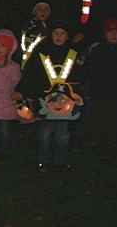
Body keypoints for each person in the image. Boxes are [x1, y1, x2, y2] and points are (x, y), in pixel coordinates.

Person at [15, 20, 84, 172]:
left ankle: (61, 162)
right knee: (44, 133)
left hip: (67, 103)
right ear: (50, 35)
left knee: (63, 135)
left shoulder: (74, 54)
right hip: (43, 101)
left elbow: (81, 77)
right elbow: (30, 75)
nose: (59, 36)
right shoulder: (41, 52)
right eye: (55, 33)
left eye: (62, 33)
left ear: (67, 36)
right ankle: (43, 161)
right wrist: (21, 90)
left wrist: (80, 94)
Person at [81, 19, 117, 149]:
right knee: (100, 122)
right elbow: (88, 71)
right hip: (99, 94)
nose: (114, 34)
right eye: (110, 31)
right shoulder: (96, 49)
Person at [20, 2, 51, 69]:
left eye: (46, 9)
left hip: (45, 64)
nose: (43, 12)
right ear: (34, 11)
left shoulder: (52, 27)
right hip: (29, 62)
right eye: (40, 9)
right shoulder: (28, 26)